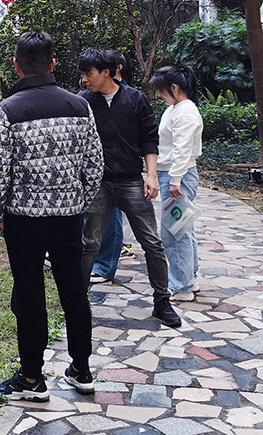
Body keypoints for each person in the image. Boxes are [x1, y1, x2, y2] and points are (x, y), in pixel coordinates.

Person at [0, 31, 104, 401]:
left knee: (30, 294)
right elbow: (95, 166)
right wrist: (77, 201)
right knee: (74, 291)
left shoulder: (7, 111)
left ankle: (32, 379)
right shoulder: (80, 107)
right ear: (53, 64)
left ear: (16, 66)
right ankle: (81, 370)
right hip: (68, 217)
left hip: (23, 219)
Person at [78, 47, 182, 328]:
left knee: (152, 243)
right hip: (97, 184)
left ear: (106, 72)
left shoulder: (135, 99)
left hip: (130, 181)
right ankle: (78, 303)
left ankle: (162, 302)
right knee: (89, 244)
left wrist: (151, 175)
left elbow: (149, 138)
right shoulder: (83, 102)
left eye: (88, 73)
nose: (84, 79)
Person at [150, 65, 204, 302]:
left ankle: (182, 286)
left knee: (174, 232)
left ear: (174, 87)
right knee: (182, 228)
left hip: (178, 177)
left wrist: (174, 180)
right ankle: (189, 277)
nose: (158, 95)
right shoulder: (175, 109)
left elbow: (182, 149)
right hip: (173, 174)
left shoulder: (185, 112)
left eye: (161, 90)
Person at [90, 50, 135, 284]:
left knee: (113, 215)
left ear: (113, 70)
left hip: (116, 168)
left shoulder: (128, 97)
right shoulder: (92, 98)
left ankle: (106, 265)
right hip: (96, 167)